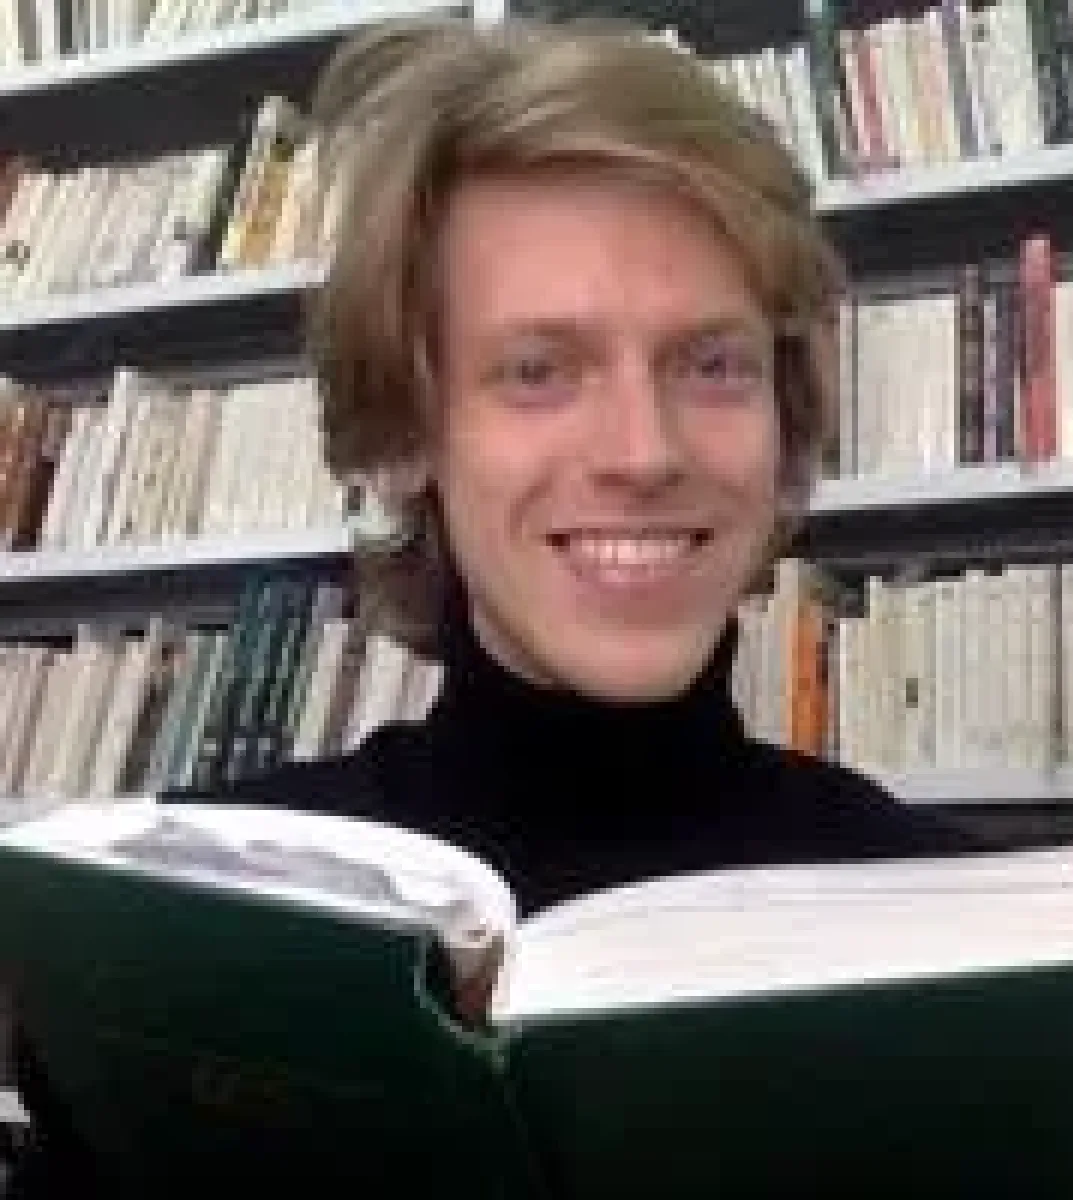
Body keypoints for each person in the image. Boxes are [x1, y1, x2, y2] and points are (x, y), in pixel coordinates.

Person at [7, 16, 1001, 1196]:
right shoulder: (184, 929)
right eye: (538, 370)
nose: (643, 451)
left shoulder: (960, 932)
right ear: (409, 432)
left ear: (784, 421)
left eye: (712, 364)